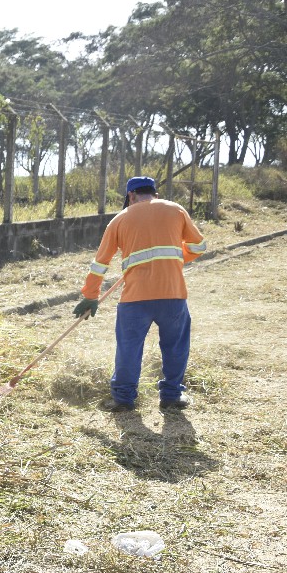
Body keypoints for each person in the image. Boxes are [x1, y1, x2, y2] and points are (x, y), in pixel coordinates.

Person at [72, 176, 207, 412]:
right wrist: (173, 260)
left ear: (131, 196)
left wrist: (91, 295)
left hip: (135, 299)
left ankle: (123, 399)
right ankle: (172, 396)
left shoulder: (120, 219)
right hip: (173, 295)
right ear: (154, 193)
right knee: (176, 346)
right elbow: (199, 246)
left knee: (129, 348)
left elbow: (100, 263)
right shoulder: (176, 210)